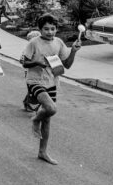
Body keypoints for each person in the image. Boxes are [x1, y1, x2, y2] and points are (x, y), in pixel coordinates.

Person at [20, 13, 82, 165]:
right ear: (40, 29)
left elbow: (66, 65)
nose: (49, 32)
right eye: (46, 29)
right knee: (51, 108)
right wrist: (37, 62)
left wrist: (73, 50)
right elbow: (24, 63)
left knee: (47, 119)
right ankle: (35, 119)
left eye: (52, 29)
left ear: (56, 29)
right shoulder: (34, 42)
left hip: (52, 81)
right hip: (35, 80)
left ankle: (43, 152)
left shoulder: (59, 42)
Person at [21, 29, 41, 112]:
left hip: (39, 72)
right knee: (31, 89)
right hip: (28, 71)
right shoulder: (27, 49)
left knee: (33, 89)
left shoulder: (40, 48)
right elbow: (22, 60)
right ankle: (29, 104)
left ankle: (27, 102)